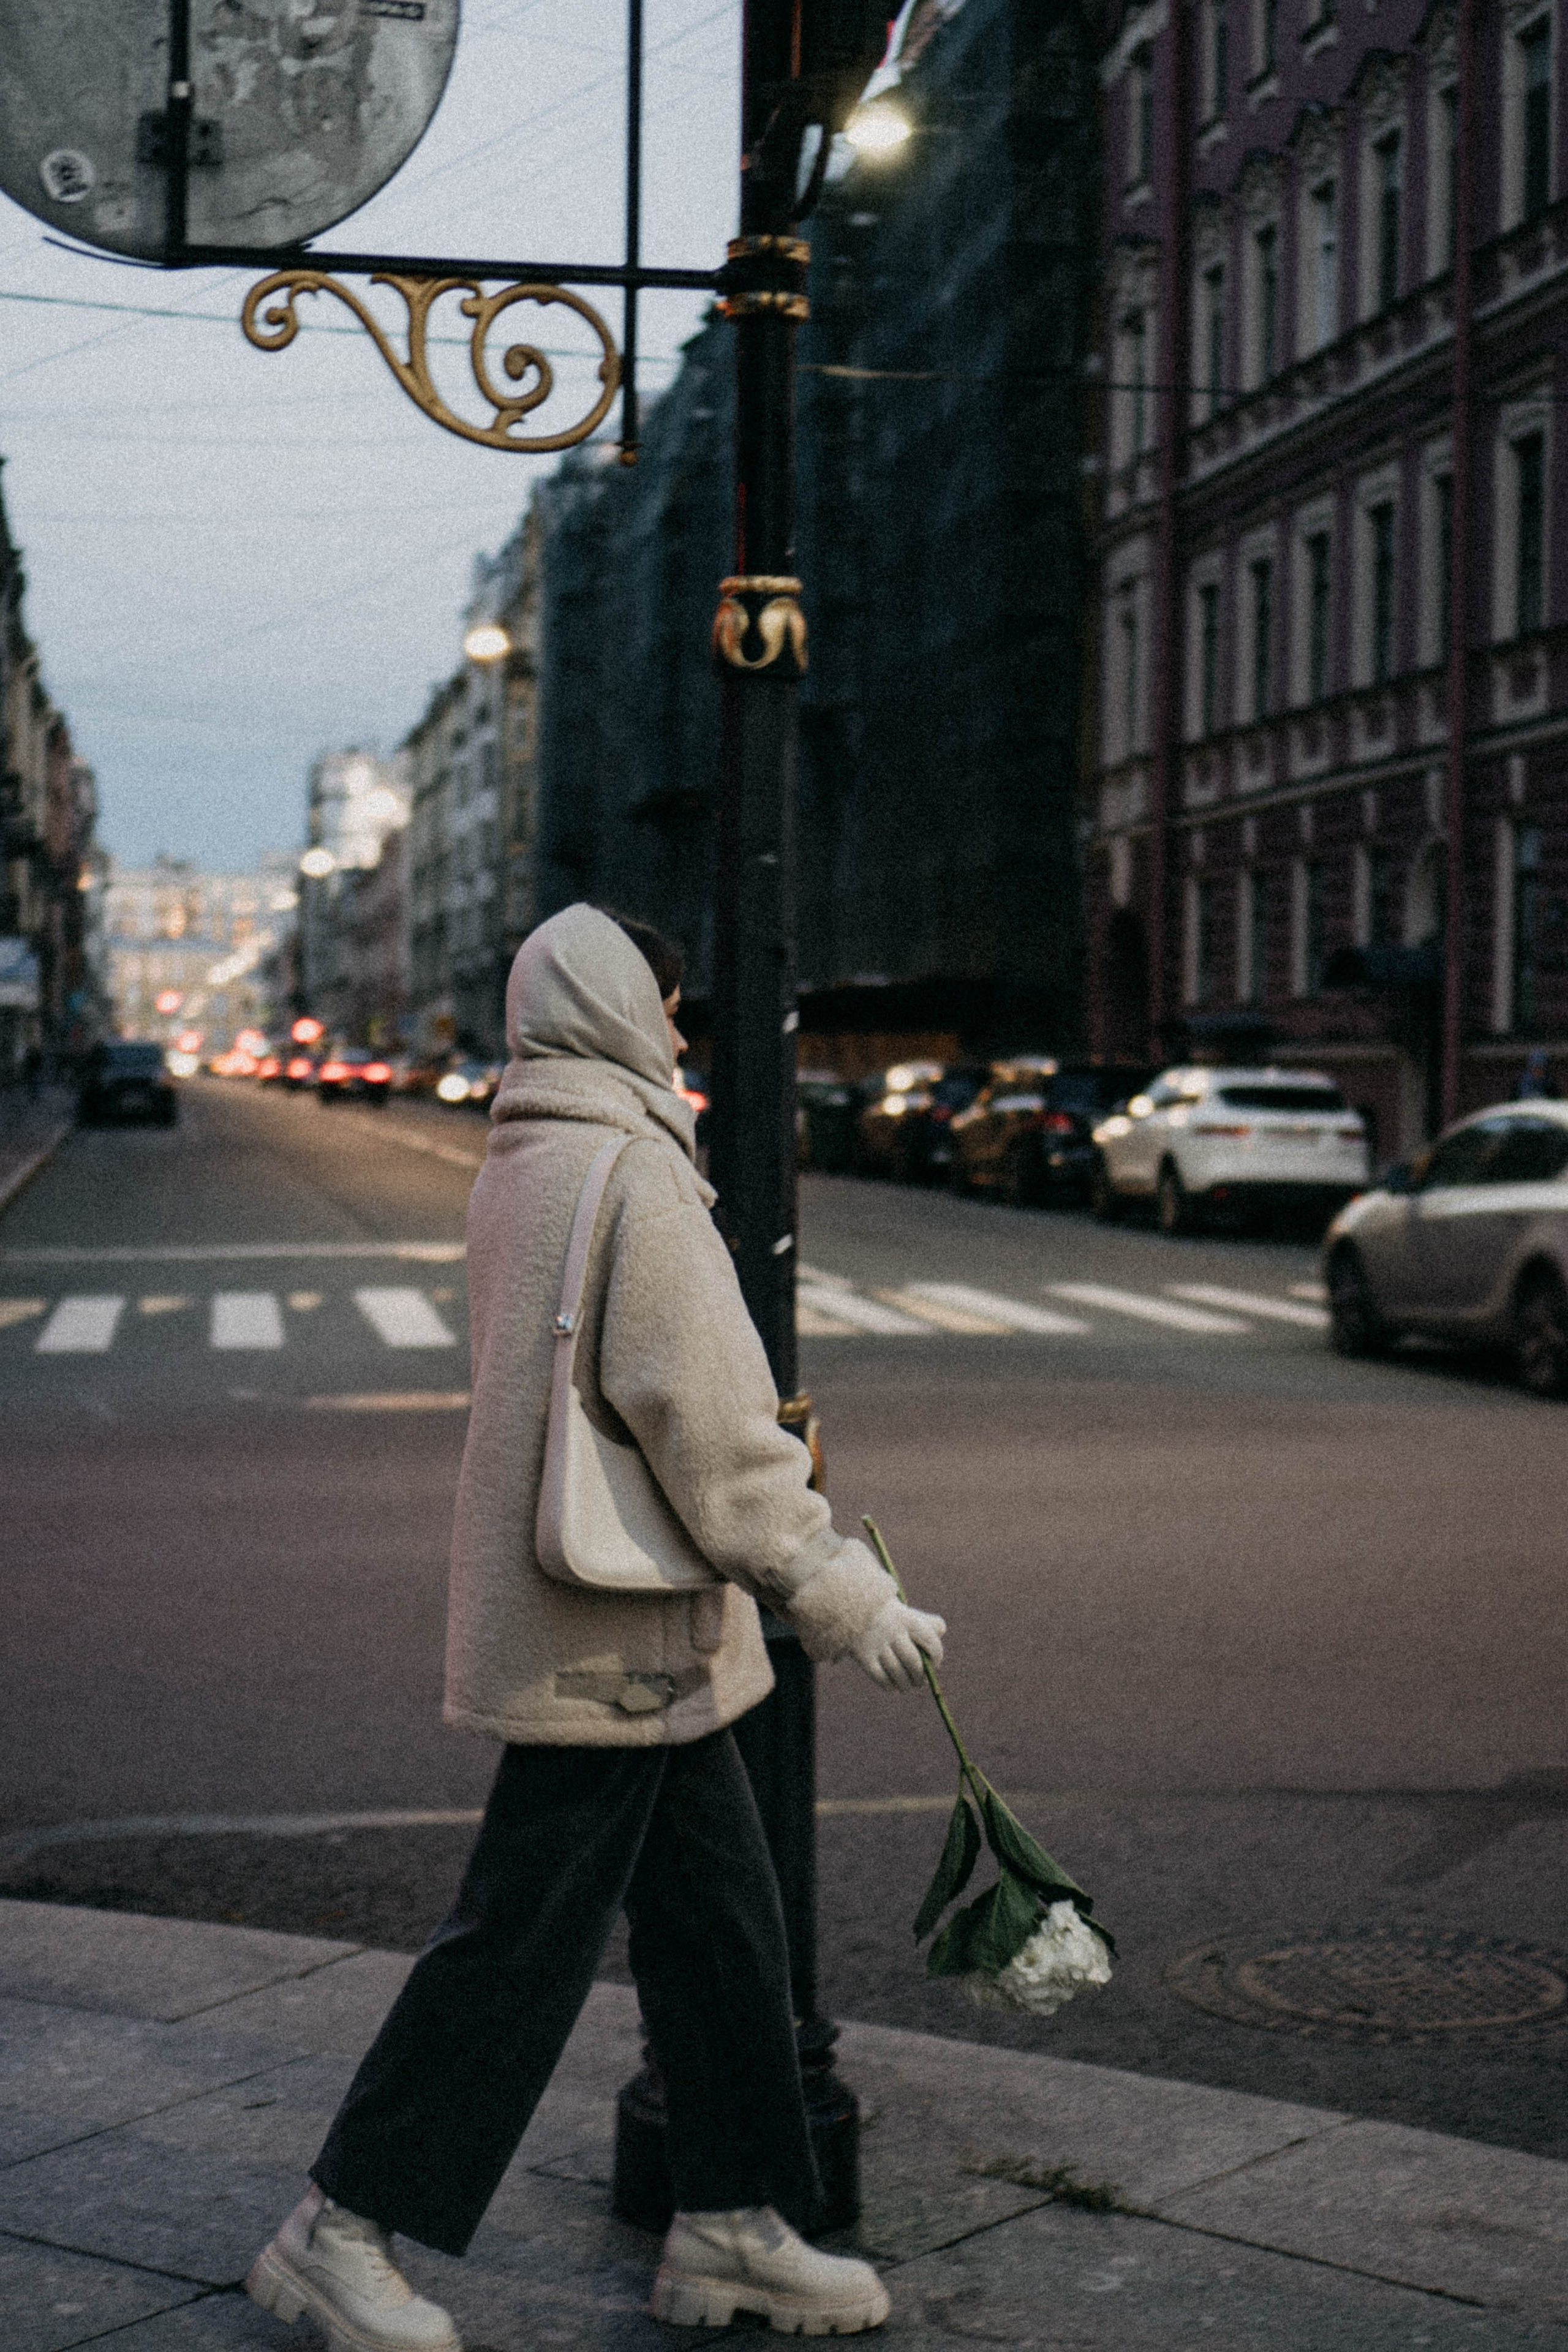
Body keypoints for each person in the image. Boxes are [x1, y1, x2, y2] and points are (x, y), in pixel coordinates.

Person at [246, 903, 948, 2352]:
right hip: (614, 1640)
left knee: (719, 1934)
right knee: (516, 1948)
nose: (680, 1031)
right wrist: (839, 1592)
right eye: (669, 1005)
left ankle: (734, 2220)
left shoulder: (525, 1152)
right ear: (623, 1009)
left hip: (627, 1631)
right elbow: (711, 1424)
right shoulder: (632, 1171)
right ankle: (341, 2228)